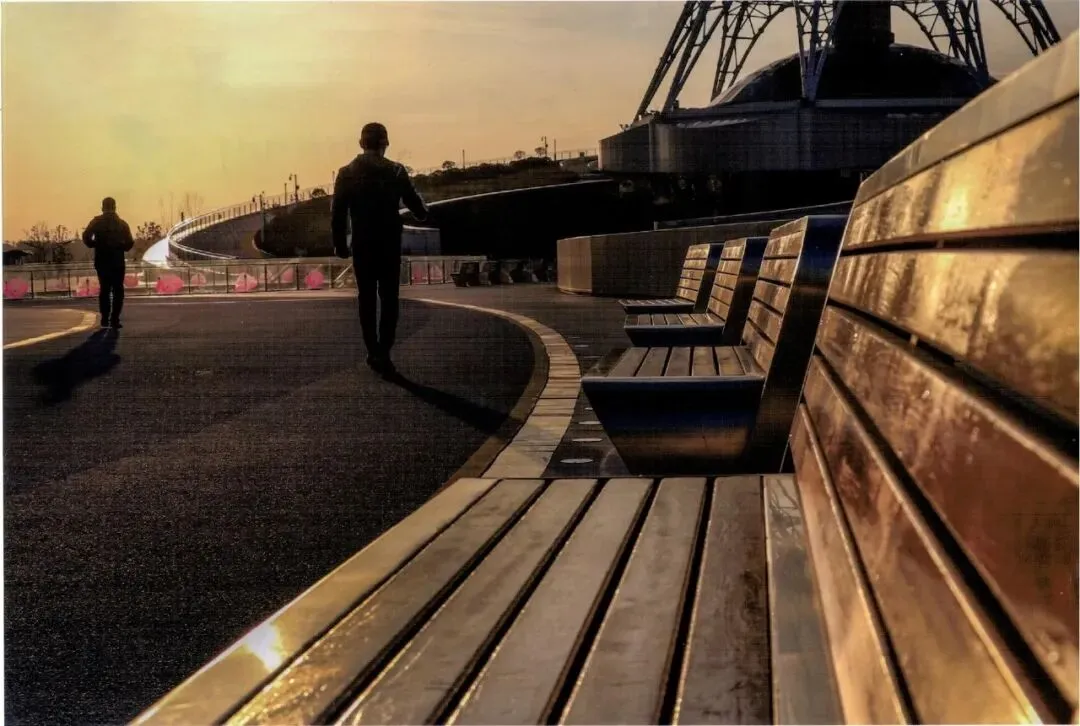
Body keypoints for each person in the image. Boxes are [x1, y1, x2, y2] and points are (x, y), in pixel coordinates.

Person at [331, 122, 428, 374]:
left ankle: (372, 350)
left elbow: (338, 213)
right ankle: (384, 350)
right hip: (389, 243)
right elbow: (416, 207)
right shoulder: (395, 171)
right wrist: (422, 211)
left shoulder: (346, 172)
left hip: (362, 243)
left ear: (361, 144)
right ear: (385, 143)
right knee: (389, 298)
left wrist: (340, 245)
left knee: (366, 298)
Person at [82, 197, 134, 329]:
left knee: (105, 289)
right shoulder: (121, 223)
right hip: (117, 261)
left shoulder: (96, 222)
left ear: (102, 207)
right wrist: (120, 247)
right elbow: (129, 242)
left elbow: (86, 236)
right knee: (118, 290)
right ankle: (114, 319)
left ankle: (105, 318)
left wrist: (95, 244)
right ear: (115, 207)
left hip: (102, 260)